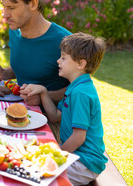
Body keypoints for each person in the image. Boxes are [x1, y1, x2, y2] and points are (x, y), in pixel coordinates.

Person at [0, 0, 71, 106]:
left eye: (11, 8)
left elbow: (80, 88)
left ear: (33, 4)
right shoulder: (15, 31)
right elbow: (31, 69)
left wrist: (44, 96)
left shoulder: (64, 41)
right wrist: (2, 73)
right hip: (20, 110)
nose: (5, 14)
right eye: (4, 7)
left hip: (51, 119)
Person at [26, 32, 108, 185]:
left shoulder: (80, 93)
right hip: (78, 156)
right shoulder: (75, 87)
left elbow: (79, 137)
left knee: (34, 175)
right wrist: (43, 91)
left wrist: (56, 155)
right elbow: (55, 116)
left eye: (63, 58)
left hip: (84, 163)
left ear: (81, 64)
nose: (58, 61)